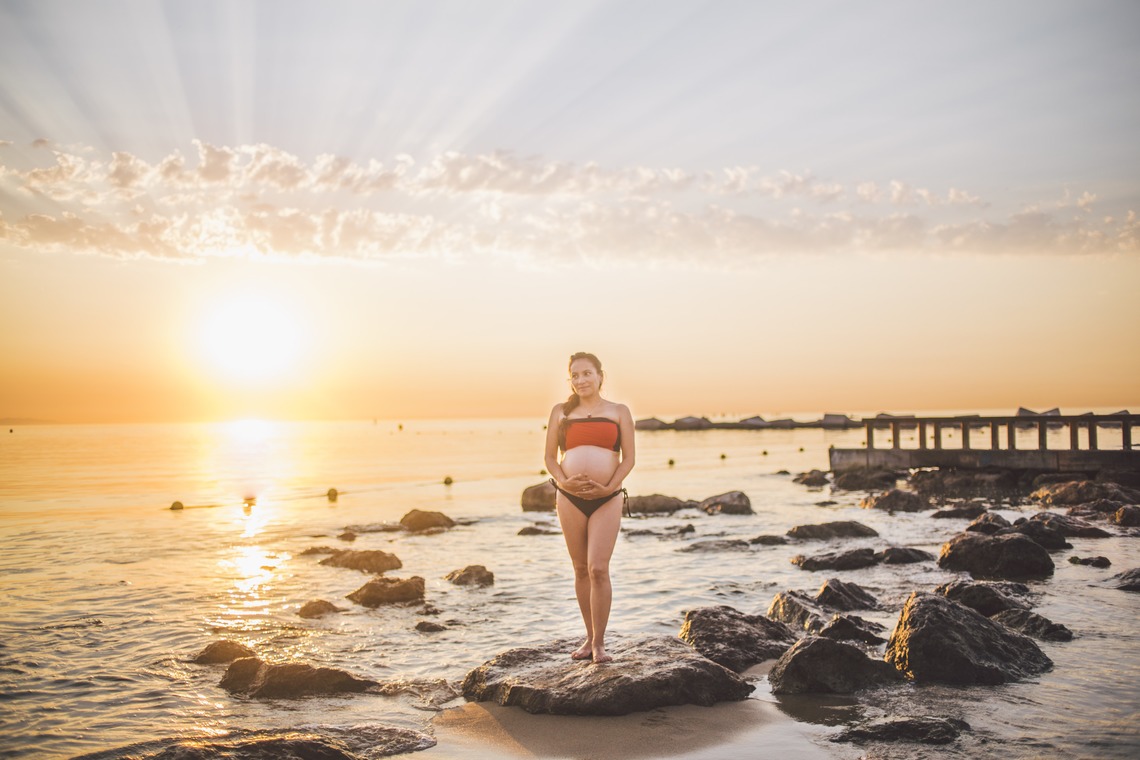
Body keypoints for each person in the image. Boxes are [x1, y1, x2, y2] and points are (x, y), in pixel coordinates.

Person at [544, 352, 635, 664]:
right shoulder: (560, 412)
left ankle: (599, 644)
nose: (581, 380)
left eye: (587, 374)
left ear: (600, 376)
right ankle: (587, 637)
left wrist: (610, 488)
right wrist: (564, 484)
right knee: (580, 568)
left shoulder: (619, 411)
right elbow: (550, 459)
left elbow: (629, 459)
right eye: (575, 375)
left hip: (607, 498)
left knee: (598, 568)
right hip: (568, 497)